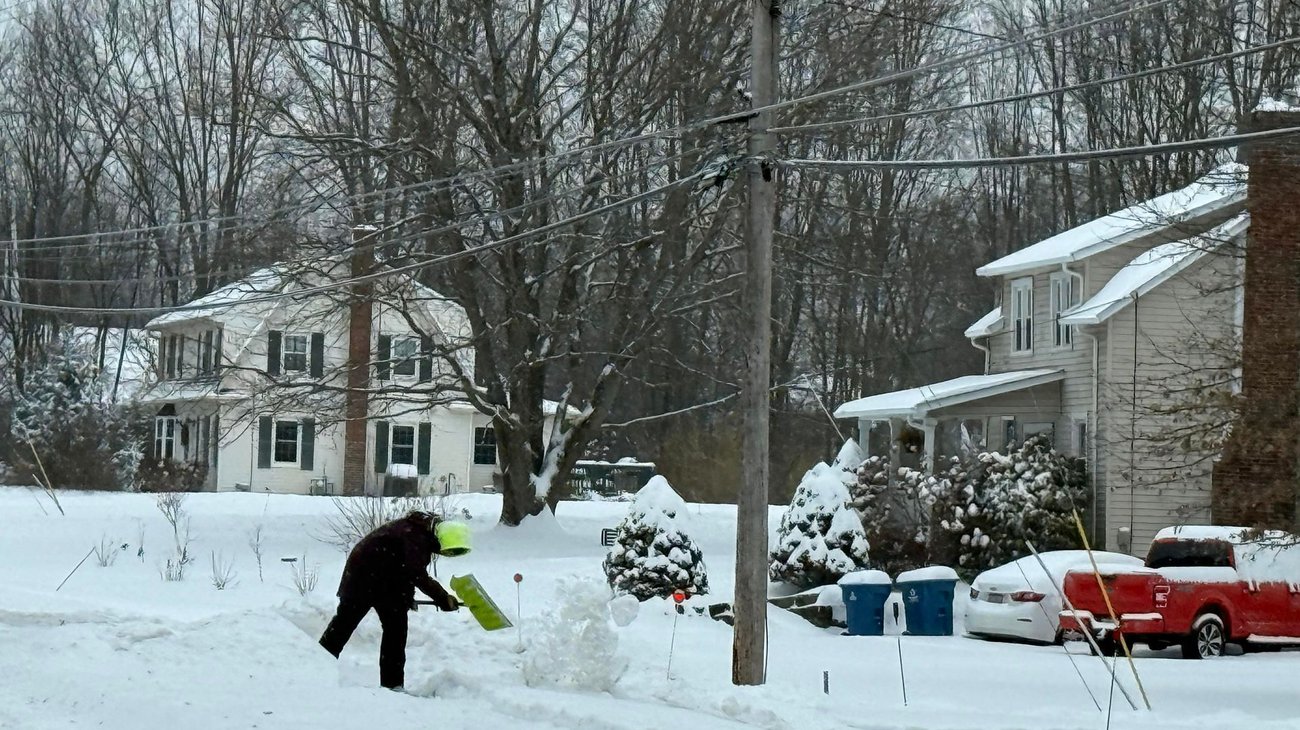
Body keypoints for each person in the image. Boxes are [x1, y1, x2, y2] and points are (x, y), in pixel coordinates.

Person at [319, 511, 471, 690]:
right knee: (345, 626)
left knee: (394, 631)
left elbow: (402, 568)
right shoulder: (415, 536)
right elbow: (416, 573)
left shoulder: (416, 531)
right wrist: (443, 598)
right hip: (363, 579)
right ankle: (315, 667)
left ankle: (393, 685)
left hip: (383, 581)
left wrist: (406, 597)